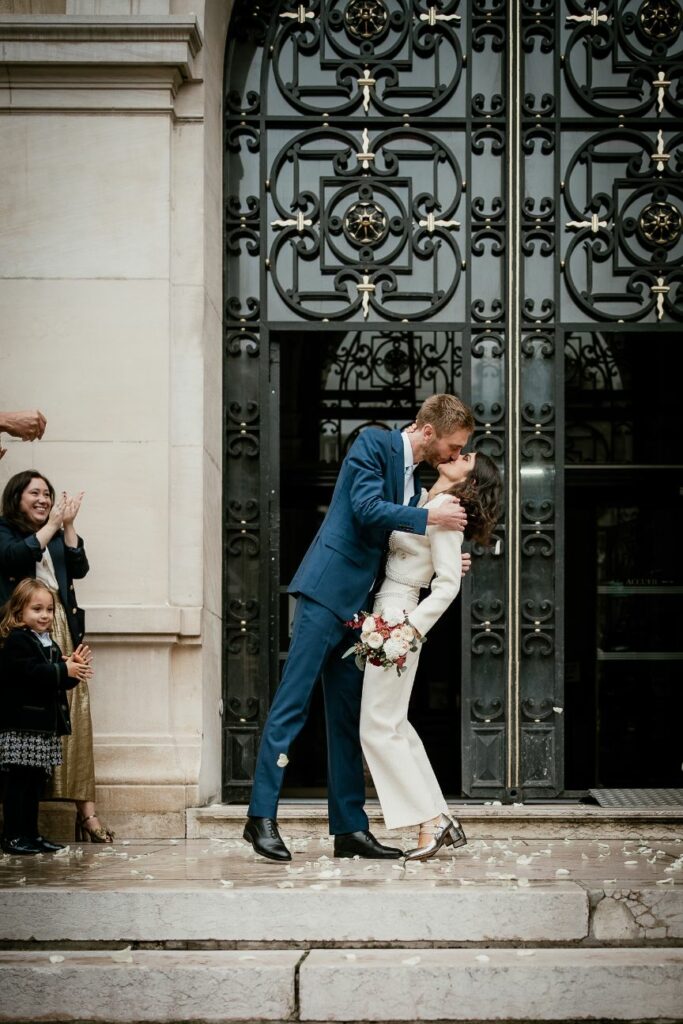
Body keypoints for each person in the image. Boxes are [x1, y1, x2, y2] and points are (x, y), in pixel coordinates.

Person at [244, 393, 475, 862]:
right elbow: (366, 508)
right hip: (326, 595)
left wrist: (442, 558)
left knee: (347, 721)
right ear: (429, 432)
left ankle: (349, 829)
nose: (455, 455)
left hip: (361, 615)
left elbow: (398, 541)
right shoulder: (372, 444)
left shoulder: (414, 481)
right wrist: (429, 515)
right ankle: (260, 817)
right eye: (453, 446)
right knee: (292, 704)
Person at [360, 450, 502, 861]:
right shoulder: (426, 501)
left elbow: (447, 586)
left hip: (400, 618)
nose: (458, 454)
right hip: (387, 612)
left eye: (466, 458)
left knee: (377, 727)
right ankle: (437, 814)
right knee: (394, 724)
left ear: (468, 481)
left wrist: (408, 631)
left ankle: (430, 821)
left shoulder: (448, 509)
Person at [0, 470, 113, 843]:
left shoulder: (57, 532)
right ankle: (19, 833)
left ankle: (85, 815)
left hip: (64, 630)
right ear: (16, 497)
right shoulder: (6, 531)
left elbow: (78, 567)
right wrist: (50, 525)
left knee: (73, 716)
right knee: (21, 753)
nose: (44, 499)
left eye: (48, 494)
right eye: (35, 493)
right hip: (20, 635)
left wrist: (69, 525)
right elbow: (17, 556)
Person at [0, 579, 92, 855]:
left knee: (34, 785)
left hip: (41, 728)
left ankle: (31, 834)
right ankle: (13, 836)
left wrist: (72, 670)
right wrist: (62, 670)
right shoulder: (18, 641)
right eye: (37, 609)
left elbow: (55, 681)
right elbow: (30, 674)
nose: (44, 615)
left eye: (49, 609)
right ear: (19, 613)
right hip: (21, 727)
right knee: (18, 785)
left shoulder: (48, 641)